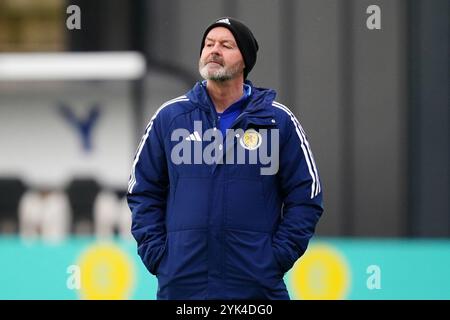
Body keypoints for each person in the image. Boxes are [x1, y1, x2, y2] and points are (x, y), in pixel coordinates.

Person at [127, 17, 323, 300]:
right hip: (183, 285)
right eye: (209, 44)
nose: (214, 50)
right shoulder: (170, 118)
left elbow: (307, 195)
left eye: (226, 45)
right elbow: (142, 190)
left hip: (256, 286)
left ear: (245, 60)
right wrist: (159, 256)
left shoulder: (277, 121)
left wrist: (275, 258)